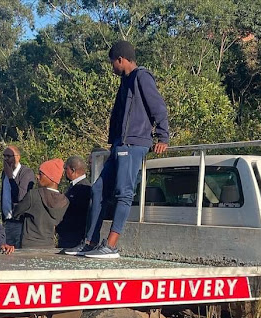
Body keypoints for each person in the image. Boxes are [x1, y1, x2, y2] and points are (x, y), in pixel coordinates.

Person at [64, 40, 169, 259]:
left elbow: (158, 106)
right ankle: (90, 242)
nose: (112, 66)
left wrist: (162, 136)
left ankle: (111, 246)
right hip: (120, 145)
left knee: (123, 193)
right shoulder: (125, 81)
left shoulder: (142, 77)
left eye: (113, 62)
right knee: (97, 190)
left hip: (134, 144)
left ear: (120, 59)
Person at [13, 158, 69, 249]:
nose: (37, 176)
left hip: (29, 245)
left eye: (41, 174)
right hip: (49, 246)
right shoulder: (65, 201)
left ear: (51, 177)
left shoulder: (34, 195)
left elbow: (16, 213)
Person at [0, 145, 36, 248]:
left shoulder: (26, 173)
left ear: (18, 157)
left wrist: (11, 178)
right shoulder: (4, 173)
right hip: (7, 221)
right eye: (4, 156)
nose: (6, 159)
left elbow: (20, 197)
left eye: (9, 156)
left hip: (19, 222)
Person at [57, 156, 92, 249]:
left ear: (72, 170)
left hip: (74, 237)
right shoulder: (73, 186)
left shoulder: (84, 188)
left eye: (66, 169)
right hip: (67, 235)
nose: (64, 172)